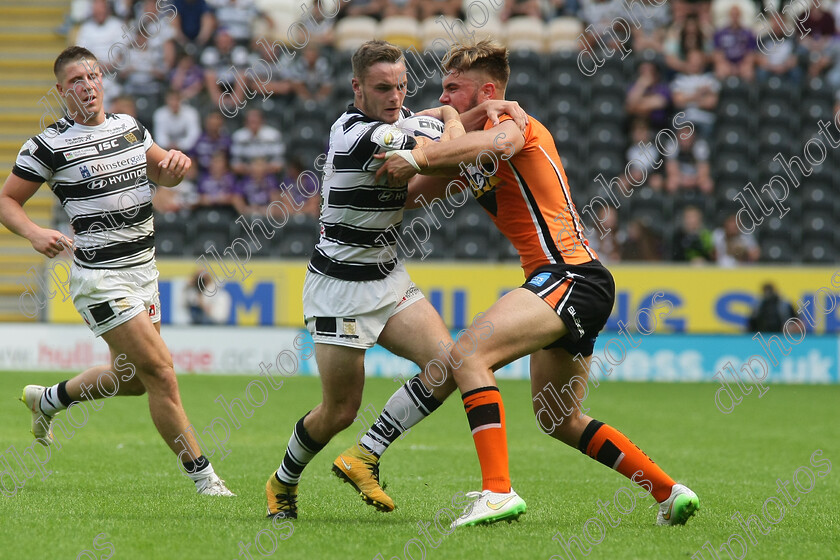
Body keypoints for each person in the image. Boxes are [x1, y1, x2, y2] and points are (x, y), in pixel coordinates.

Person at [369, 40, 699, 527]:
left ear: (486, 91)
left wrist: (420, 153)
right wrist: (387, 156)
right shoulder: (471, 148)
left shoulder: (514, 124)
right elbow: (414, 195)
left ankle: (497, 492)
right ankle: (669, 493)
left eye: (452, 89)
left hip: (567, 274)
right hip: (573, 281)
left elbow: (492, 145)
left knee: (468, 355)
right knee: (559, 418)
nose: (444, 97)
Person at [264, 39, 526, 521]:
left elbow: (436, 125)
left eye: (402, 86)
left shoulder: (396, 121)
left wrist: (486, 108)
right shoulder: (358, 136)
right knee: (339, 409)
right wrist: (470, 118)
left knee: (449, 364)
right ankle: (281, 482)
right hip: (339, 288)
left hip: (385, 274)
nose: (395, 97)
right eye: (384, 88)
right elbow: (444, 146)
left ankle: (364, 456)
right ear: (356, 88)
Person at [0, 46, 233, 496]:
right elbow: (7, 200)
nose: (87, 86)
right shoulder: (48, 144)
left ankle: (48, 400)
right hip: (100, 278)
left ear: (102, 79)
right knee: (162, 373)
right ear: (61, 91)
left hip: (144, 272)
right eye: (75, 81)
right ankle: (205, 478)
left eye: (92, 76)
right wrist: (32, 232)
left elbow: (162, 173)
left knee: (132, 382)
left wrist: (176, 168)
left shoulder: (130, 128)